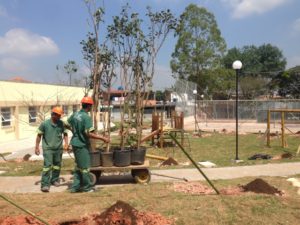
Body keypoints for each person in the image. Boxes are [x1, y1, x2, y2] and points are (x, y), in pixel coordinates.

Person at [66, 96, 109, 193]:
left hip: (75, 143)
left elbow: (67, 124)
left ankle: (75, 187)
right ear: (89, 106)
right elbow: (88, 133)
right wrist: (103, 138)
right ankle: (87, 187)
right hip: (81, 145)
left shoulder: (75, 114)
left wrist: (75, 132)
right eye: (91, 106)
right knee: (85, 167)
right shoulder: (86, 117)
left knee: (78, 166)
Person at [35, 106, 68, 193]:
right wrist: (37, 147)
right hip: (48, 149)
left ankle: (55, 180)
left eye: (60, 115)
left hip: (58, 148)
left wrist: (66, 143)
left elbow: (65, 133)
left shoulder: (61, 123)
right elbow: (39, 135)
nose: (60, 117)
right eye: (58, 115)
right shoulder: (44, 124)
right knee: (47, 167)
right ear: (53, 115)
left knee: (57, 165)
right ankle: (45, 184)